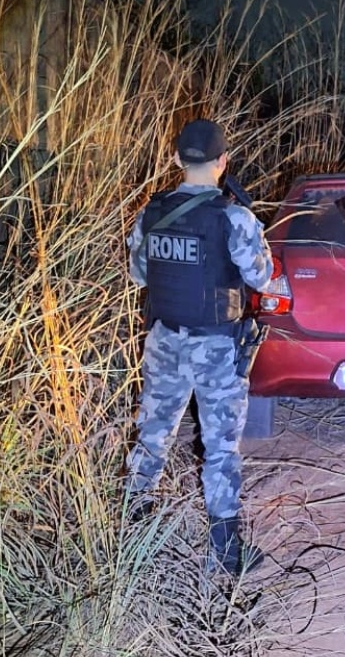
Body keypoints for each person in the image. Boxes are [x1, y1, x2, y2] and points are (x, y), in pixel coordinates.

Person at [123, 118, 273, 577]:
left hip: (165, 340)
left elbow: (139, 275)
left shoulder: (152, 211)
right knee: (222, 446)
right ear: (223, 162)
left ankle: (132, 532)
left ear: (176, 160)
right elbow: (262, 278)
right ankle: (225, 552)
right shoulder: (234, 217)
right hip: (216, 349)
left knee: (153, 433)